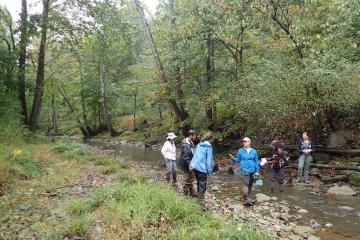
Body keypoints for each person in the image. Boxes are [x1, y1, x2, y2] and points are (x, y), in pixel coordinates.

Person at [232, 137, 260, 203]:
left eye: (245, 141)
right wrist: (233, 158)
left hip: (253, 170)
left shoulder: (254, 151)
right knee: (246, 184)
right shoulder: (240, 151)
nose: (244, 142)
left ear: (249, 142)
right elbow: (238, 160)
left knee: (250, 184)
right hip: (244, 170)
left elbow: (256, 161)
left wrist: (257, 171)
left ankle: (246, 196)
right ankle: (247, 198)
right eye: (243, 141)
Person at [190, 131, 214, 199]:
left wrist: (192, 164)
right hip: (202, 168)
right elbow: (208, 161)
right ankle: (200, 202)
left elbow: (195, 155)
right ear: (211, 139)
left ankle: (198, 197)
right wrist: (209, 171)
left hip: (195, 167)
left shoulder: (199, 144)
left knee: (199, 182)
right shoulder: (208, 146)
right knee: (202, 185)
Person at [180, 129, 197, 196]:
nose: (195, 137)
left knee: (191, 178)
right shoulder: (186, 145)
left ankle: (192, 193)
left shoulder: (191, 142)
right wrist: (190, 165)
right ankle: (185, 194)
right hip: (187, 164)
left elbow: (192, 153)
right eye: (194, 136)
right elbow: (185, 157)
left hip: (190, 163)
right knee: (189, 179)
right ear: (190, 135)